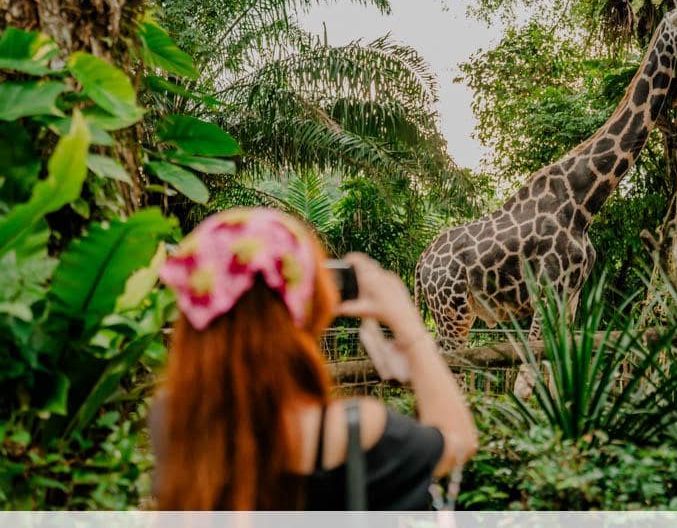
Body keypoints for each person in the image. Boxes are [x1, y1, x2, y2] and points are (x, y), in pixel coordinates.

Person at [150, 207, 477, 510]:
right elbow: (458, 442)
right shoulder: (353, 431)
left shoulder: (171, 422)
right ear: (310, 308)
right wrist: (408, 323)